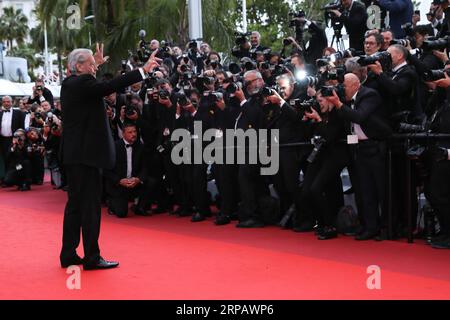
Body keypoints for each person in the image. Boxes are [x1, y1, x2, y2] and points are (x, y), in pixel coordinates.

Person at [59, 44, 160, 270]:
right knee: (90, 207)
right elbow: (109, 86)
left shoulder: (70, 84)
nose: (94, 68)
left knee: (75, 205)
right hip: (87, 157)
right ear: (78, 66)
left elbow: (96, 85)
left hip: (76, 156)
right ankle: (92, 257)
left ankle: (68, 254)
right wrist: (142, 70)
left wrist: (96, 64)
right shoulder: (83, 83)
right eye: (91, 65)